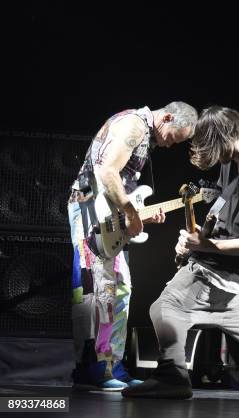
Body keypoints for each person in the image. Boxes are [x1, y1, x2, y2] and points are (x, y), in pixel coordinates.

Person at [122, 106, 239, 399]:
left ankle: (172, 376)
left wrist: (206, 246)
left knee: (165, 307)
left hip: (226, 270)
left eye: (213, 147)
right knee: (229, 318)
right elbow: (221, 209)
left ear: (229, 136)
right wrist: (195, 238)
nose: (212, 156)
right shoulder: (231, 161)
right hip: (219, 264)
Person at [68, 101, 198, 391]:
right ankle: (91, 369)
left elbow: (120, 184)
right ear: (166, 117)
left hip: (106, 215)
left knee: (120, 289)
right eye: (172, 137)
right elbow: (106, 173)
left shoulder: (142, 131)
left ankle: (112, 365)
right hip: (91, 212)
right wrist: (130, 211)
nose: (168, 145)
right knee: (96, 290)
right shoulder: (134, 125)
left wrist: (138, 214)